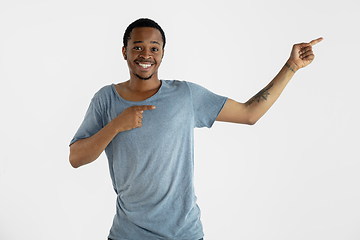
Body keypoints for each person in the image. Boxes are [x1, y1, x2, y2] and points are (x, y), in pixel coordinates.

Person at [69, 18, 323, 240]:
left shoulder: (185, 95)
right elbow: (76, 158)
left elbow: (249, 113)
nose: (146, 55)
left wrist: (292, 67)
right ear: (124, 52)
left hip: (183, 234)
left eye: (153, 48)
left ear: (162, 53)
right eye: (138, 47)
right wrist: (116, 125)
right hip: (128, 233)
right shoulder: (106, 99)